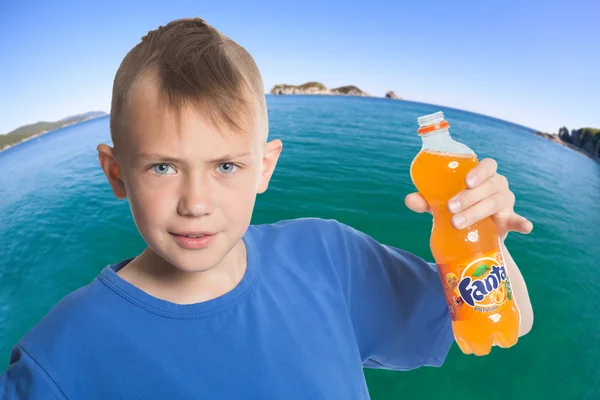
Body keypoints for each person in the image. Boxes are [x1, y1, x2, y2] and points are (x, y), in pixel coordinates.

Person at [0, 17, 533, 399]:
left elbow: (509, 324)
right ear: (117, 173)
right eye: (163, 167)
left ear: (264, 168)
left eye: (226, 166)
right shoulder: (57, 363)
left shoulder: (330, 257)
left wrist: (486, 237)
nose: (196, 203)